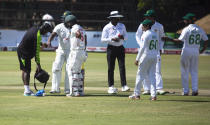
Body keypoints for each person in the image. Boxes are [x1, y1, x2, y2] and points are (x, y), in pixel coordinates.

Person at [162, 13, 208, 96]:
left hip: (187, 50)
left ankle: (186, 91)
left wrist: (168, 39)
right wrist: (202, 50)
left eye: (186, 19)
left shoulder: (187, 29)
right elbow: (206, 40)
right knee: (194, 71)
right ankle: (195, 90)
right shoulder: (199, 29)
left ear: (190, 20)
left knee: (184, 71)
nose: (184, 20)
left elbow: (179, 40)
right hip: (195, 51)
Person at [136, 9, 167, 95]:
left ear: (152, 17)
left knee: (157, 70)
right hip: (145, 51)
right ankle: (147, 89)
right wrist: (141, 44)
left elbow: (162, 38)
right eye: (146, 16)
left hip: (155, 51)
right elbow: (137, 36)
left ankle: (159, 88)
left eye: (148, 16)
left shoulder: (159, 26)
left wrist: (161, 48)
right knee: (145, 71)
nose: (146, 17)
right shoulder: (142, 24)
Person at [17, 22, 52, 96]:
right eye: (47, 31)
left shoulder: (34, 29)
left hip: (22, 50)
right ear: (44, 29)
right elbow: (37, 52)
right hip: (24, 53)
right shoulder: (38, 35)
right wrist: (38, 64)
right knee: (27, 71)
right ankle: (27, 91)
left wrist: (42, 44)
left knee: (25, 70)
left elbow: (33, 41)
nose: (46, 33)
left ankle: (27, 89)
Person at [101, 11, 130, 94]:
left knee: (122, 67)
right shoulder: (107, 27)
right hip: (111, 48)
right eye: (116, 18)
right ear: (111, 18)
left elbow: (126, 37)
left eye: (118, 18)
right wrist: (112, 39)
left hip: (120, 48)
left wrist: (122, 37)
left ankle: (124, 85)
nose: (118, 19)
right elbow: (102, 39)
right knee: (111, 68)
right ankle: (111, 86)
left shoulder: (122, 25)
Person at [129, 19, 158, 100]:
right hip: (154, 56)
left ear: (147, 26)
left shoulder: (145, 35)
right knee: (152, 76)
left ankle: (137, 94)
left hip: (146, 55)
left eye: (143, 25)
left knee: (140, 75)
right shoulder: (155, 34)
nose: (142, 27)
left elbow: (142, 48)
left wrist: (137, 59)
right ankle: (153, 95)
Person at [47, 11, 72, 94]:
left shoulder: (74, 27)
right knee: (56, 68)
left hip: (71, 51)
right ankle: (55, 88)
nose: (63, 19)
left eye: (64, 18)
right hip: (61, 50)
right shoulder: (59, 26)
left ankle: (68, 89)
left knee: (69, 70)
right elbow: (53, 34)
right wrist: (49, 41)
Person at [65, 15, 87, 97]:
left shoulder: (74, 28)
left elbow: (78, 34)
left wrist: (78, 36)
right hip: (82, 52)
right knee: (78, 71)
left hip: (75, 52)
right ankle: (80, 91)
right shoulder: (81, 28)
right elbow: (85, 38)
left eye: (68, 23)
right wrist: (84, 48)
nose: (68, 24)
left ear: (70, 22)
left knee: (71, 71)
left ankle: (73, 92)